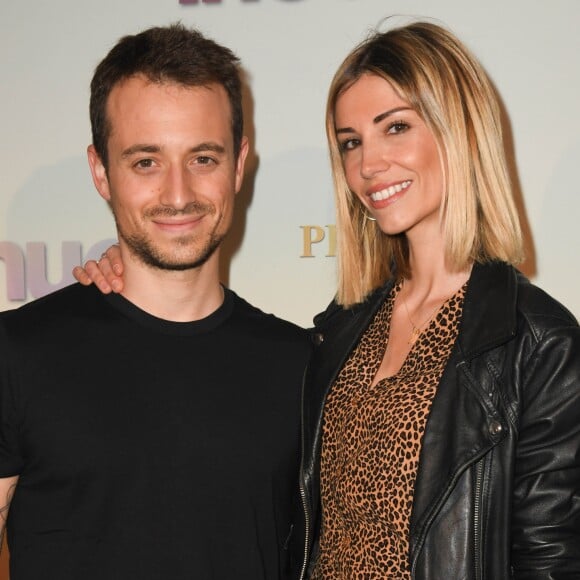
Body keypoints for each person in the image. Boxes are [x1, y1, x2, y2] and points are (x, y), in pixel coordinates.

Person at [73, 20, 580, 579]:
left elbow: (550, 557)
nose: (367, 164)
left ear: (457, 129)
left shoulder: (534, 340)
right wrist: (138, 278)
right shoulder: (343, 328)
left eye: (396, 128)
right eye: (351, 142)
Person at [0, 24, 311, 579]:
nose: (177, 194)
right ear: (101, 171)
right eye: (146, 161)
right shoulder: (14, 352)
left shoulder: (304, 363)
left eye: (203, 159)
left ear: (239, 165)